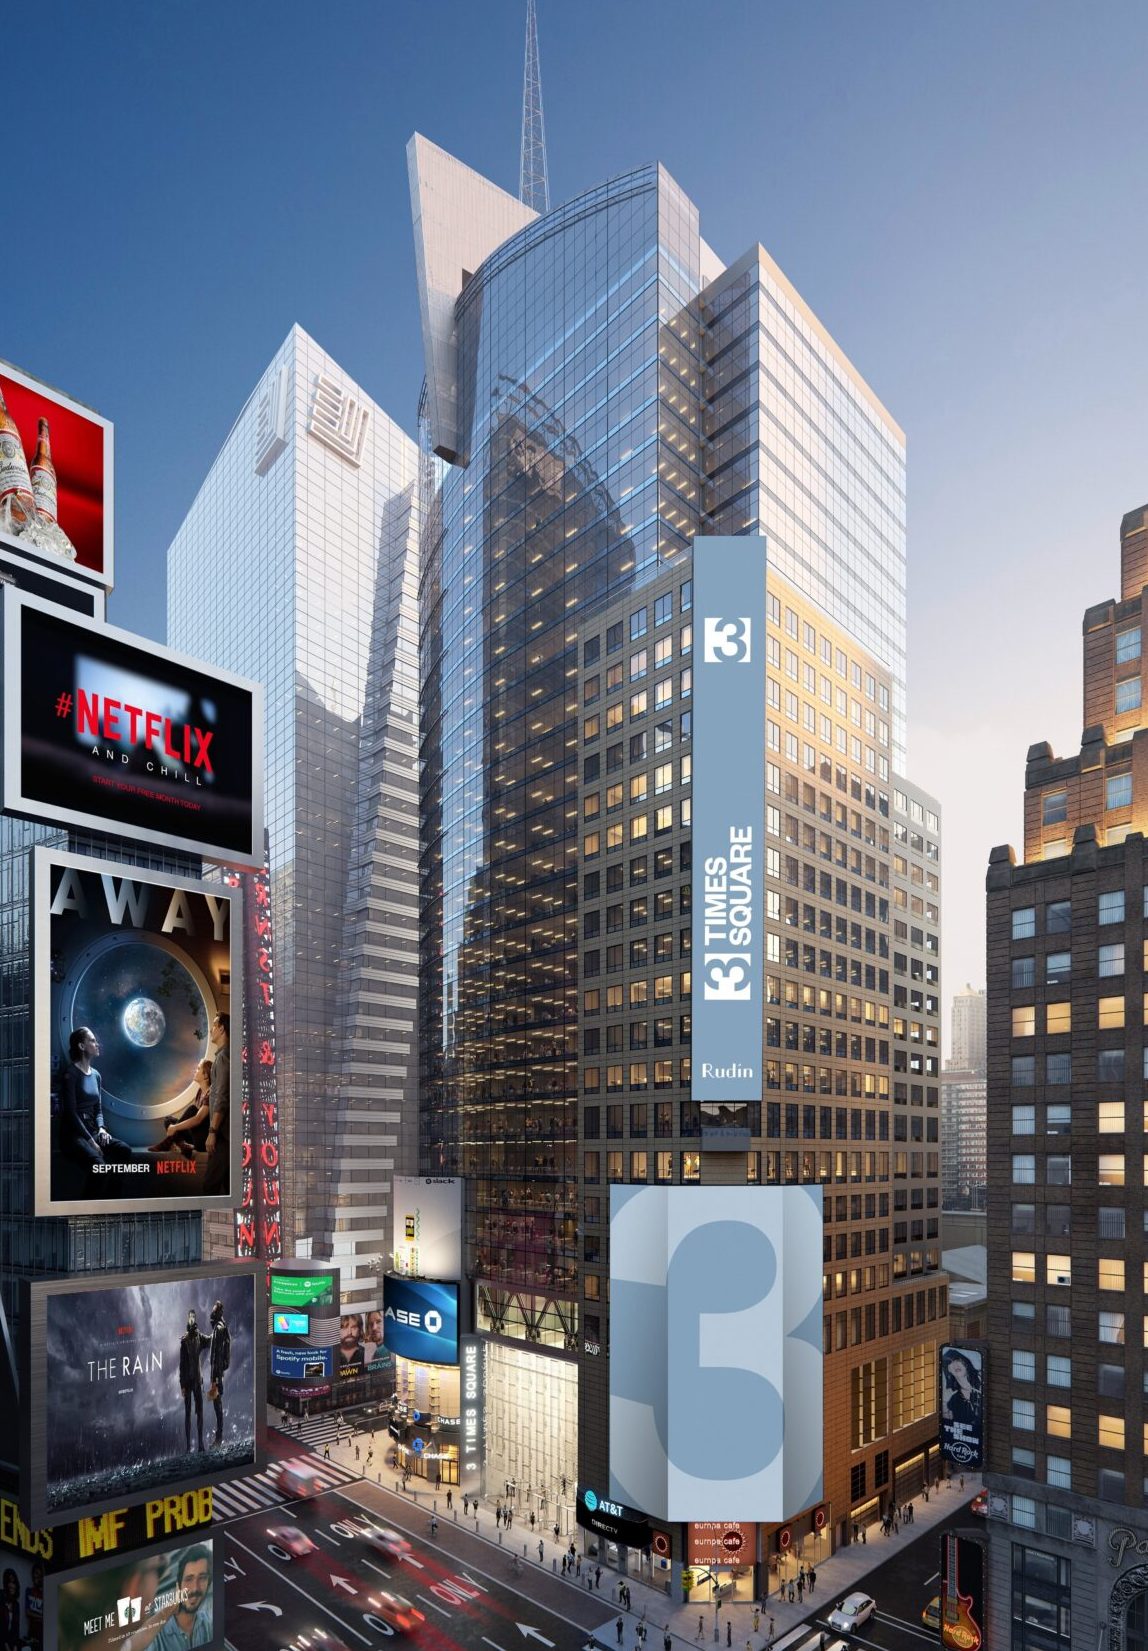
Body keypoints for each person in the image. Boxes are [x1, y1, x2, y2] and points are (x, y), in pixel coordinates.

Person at [58, 1028, 136, 1175]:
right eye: (92, 1041)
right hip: (74, 1136)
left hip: (93, 1131)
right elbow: (71, 1113)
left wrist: (101, 1129)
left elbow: (98, 1109)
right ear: (81, 1046)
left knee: (124, 1150)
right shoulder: (70, 1074)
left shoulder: (96, 1075)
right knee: (99, 1166)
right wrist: (91, 1142)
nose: (97, 1044)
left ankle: (112, 1196)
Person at [150, 1059, 213, 1155]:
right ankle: (183, 1145)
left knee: (192, 1110)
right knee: (168, 1120)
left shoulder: (211, 1093)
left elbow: (198, 1119)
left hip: (203, 1140)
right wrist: (175, 1126)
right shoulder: (200, 1091)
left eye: (198, 1069)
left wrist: (175, 1127)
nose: (195, 1070)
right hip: (194, 1136)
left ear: (206, 1076)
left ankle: (167, 1143)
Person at [156, 1545, 213, 1649]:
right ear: (178, 1585)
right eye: (189, 1579)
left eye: (202, 1578)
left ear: (209, 1583)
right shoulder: (156, 1634)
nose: (195, 1588)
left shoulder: (206, 1623)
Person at [202, 1014, 231, 1196]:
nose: (211, 1030)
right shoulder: (223, 1056)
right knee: (228, 1185)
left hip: (222, 1134)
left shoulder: (223, 1057)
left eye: (214, 1025)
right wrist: (213, 1086)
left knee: (209, 1186)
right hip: (223, 1133)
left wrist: (212, 1132)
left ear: (222, 1028)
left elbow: (223, 1097)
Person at [179, 1309, 207, 1452]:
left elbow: (209, 1341)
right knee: (188, 1413)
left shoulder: (199, 1337)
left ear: (195, 1319)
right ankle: (188, 1446)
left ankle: (201, 1444)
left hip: (197, 1380)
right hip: (188, 1382)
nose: (191, 1319)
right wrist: (182, 1385)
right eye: (189, 1316)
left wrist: (219, 1331)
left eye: (193, 1317)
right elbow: (181, 1364)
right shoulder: (184, 1341)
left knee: (200, 1411)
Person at [206, 1298, 230, 1446]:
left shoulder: (219, 1329)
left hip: (217, 1372)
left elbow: (218, 1354)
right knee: (216, 1402)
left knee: (217, 1403)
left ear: (219, 1313)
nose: (211, 1313)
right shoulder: (219, 1328)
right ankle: (218, 1436)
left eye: (214, 1311)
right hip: (217, 1372)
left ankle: (219, 1438)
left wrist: (215, 1378)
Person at [940, 1350, 982, 1432]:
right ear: (949, 1370)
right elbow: (949, 1423)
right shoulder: (953, 1397)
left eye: (957, 1360)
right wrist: (945, 1404)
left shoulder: (981, 1379)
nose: (955, 1365)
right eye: (950, 1363)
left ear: (965, 1363)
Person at [0, 1569, 19, 1651]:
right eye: (9, 1581)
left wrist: (15, 1646)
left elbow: (16, 1628)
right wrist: (6, 1646)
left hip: (10, 1641)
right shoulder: (0, 1597)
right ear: (6, 1583)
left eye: (14, 1582)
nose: (12, 1585)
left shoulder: (16, 1604)